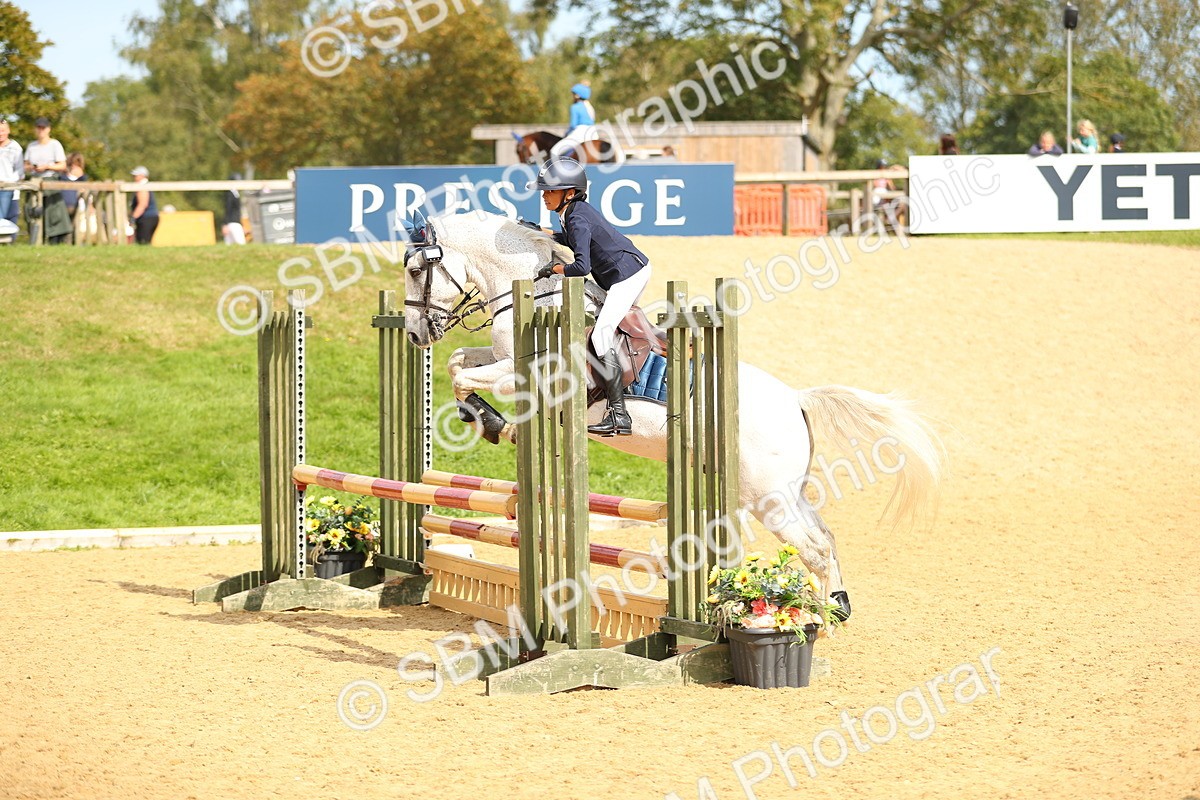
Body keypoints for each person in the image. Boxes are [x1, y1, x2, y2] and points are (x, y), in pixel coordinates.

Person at [530, 157, 651, 437]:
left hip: (627, 275)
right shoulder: (572, 212)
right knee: (606, 329)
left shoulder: (577, 216)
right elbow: (571, 238)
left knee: (600, 336)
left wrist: (555, 268)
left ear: (569, 193)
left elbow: (581, 267)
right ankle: (619, 385)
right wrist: (543, 232)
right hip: (626, 270)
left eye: (550, 191)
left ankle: (620, 415)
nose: (545, 196)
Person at [550, 82, 597, 160]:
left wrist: (566, 134)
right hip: (593, 133)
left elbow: (573, 125)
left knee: (554, 151)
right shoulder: (590, 107)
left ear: (577, 95)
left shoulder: (575, 107)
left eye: (573, 94)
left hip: (579, 134)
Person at [0, 119, 23, 225]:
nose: (1, 133)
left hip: (9, 190)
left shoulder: (15, 148)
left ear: (8, 130)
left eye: (3, 130)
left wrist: (7, 183)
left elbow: (19, 171)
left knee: (7, 222)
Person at [129, 165, 159, 245]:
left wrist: (133, 217)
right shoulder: (146, 185)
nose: (134, 177)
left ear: (142, 176)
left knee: (143, 243)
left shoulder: (142, 187)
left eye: (136, 175)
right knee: (145, 243)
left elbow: (142, 205)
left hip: (146, 219)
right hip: (150, 218)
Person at [223, 173, 246, 245]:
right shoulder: (230, 195)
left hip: (235, 222)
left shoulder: (235, 194)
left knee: (229, 244)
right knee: (241, 243)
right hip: (233, 223)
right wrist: (225, 224)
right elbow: (228, 209)